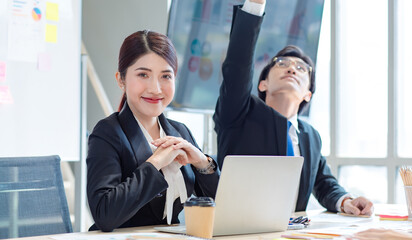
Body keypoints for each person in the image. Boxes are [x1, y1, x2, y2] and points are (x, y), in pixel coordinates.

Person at [213, 0, 373, 215]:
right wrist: (253, 6)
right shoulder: (239, 113)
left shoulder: (311, 136)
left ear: (308, 94)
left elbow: (324, 182)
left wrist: (345, 201)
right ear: (263, 84)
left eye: (301, 68)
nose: (291, 69)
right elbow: (237, 67)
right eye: (281, 64)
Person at [86, 30, 220, 232]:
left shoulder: (180, 131)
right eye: (143, 75)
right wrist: (156, 163)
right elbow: (105, 214)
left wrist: (203, 163)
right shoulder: (108, 132)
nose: (156, 88)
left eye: (166, 76)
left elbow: (220, 204)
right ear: (121, 80)